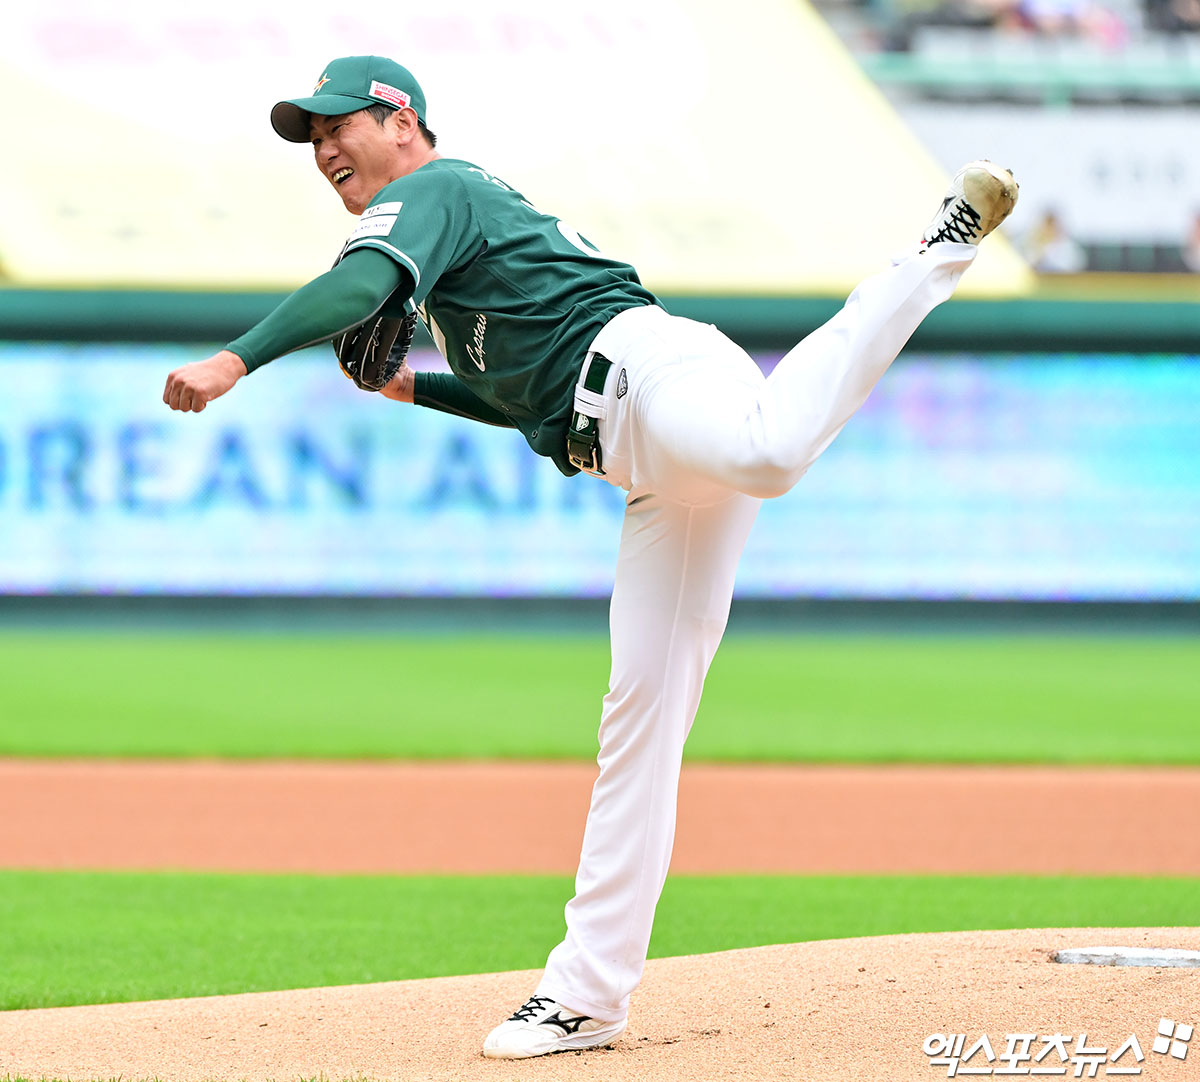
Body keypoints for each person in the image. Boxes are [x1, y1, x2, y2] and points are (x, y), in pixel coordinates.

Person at [162, 55, 1018, 1060]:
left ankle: (932, 250)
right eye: (312, 137)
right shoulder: (456, 244)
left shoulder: (433, 188)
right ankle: (586, 995)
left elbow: (358, 282)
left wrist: (235, 358)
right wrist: (414, 388)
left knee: (770, 452)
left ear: (400, 122)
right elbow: (528, 396)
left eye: (337, 125)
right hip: (637, 455)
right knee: (639, 722)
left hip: (659, 375)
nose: (324, 148)